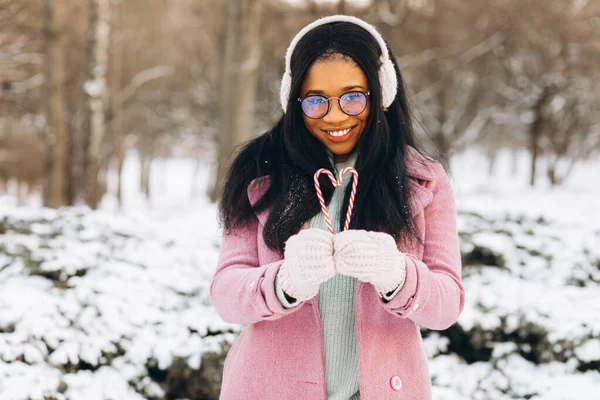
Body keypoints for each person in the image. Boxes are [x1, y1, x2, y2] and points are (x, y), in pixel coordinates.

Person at [210, 14, 464, 400]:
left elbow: (447, 304)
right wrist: (284, 282)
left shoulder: (423, 181)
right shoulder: (260, 173)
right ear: (295, 101)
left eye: (353, 97)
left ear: (380, 93)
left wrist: (396, 273)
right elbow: (226, 294)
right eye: (315, 101)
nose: (334, 115)